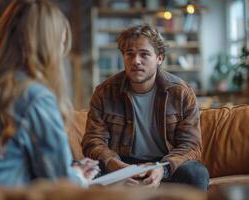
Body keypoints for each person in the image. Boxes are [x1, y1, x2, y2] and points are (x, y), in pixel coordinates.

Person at [0, 0, 99, 187]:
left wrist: (72, 172)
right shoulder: (34, 98)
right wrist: (78, 178)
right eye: (61, 43)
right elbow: (60, 186)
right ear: (49, 48)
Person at [82, 24, 209, 190]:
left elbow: (191, 146)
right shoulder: (104, 92)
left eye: (144, 54)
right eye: (130, 54)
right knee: (84, 172)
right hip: (120, 161)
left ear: (159, 58)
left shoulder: (181, 93)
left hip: (164, 163)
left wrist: (162, 169)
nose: (136, 61)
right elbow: (93, 141)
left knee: (196, 173)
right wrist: (117, 167)